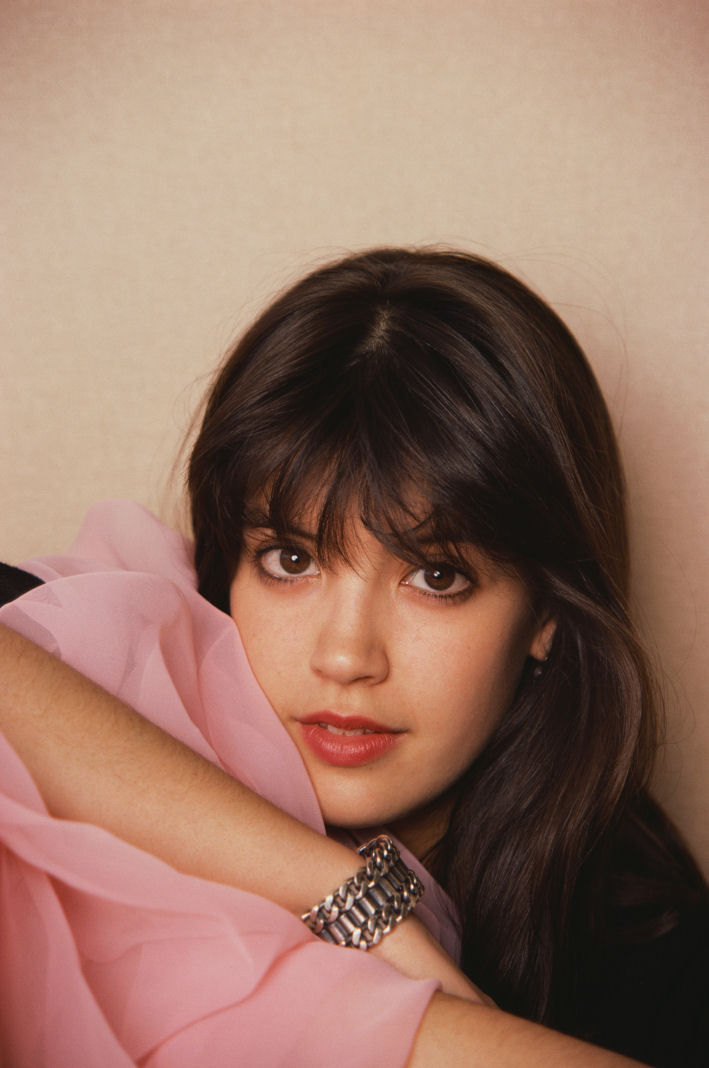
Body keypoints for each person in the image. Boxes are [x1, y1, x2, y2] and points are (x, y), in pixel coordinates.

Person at [0, 248, 706, 1067]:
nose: (344, 657)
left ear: (544, 612)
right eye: (291, 560)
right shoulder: (112, 658)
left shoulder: (655, 967)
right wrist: (348, 896)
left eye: (436, 577)